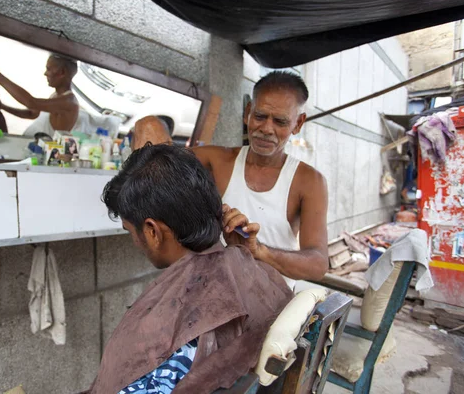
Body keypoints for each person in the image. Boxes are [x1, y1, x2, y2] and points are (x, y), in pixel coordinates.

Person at [86, 144, 293, 394]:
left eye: (131, 231)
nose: (135, 242)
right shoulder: (249, 268)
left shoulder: (178, 337)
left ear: (152, 232)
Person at [132, 71, 329, 290]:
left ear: (298, 123)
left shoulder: (309, 181)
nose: (266, 129)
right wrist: (149, 125)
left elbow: (318, 264)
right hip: (217, 297)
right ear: (247, 113)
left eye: (280, 121)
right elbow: (155, 158)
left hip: (272, 306)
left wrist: (259, 251)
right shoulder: (217, 161)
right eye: (260, 116)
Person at [0, 53, 80, 137]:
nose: (45, 73)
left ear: (62, 72)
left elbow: (31, 102)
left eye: (49, 69)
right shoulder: (57, 95)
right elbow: (32, 113)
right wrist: (2, 106)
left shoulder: (69, 101)